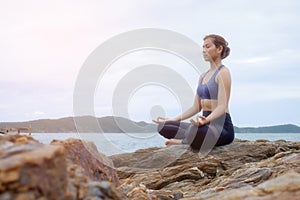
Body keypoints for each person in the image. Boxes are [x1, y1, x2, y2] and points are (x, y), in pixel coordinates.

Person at [153, 34, 234, 151]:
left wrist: (206, 120)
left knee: (194, 131)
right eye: (203, 48)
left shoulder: (223, 72)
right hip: (203, 124)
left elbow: (222, 106)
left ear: (219, 49)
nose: (204, 51)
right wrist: (172, 119)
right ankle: (189, 138)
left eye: (207, 47)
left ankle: (182, 142)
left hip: (221, 127)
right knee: (163, 127)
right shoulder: (203, 76)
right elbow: (196, 107)